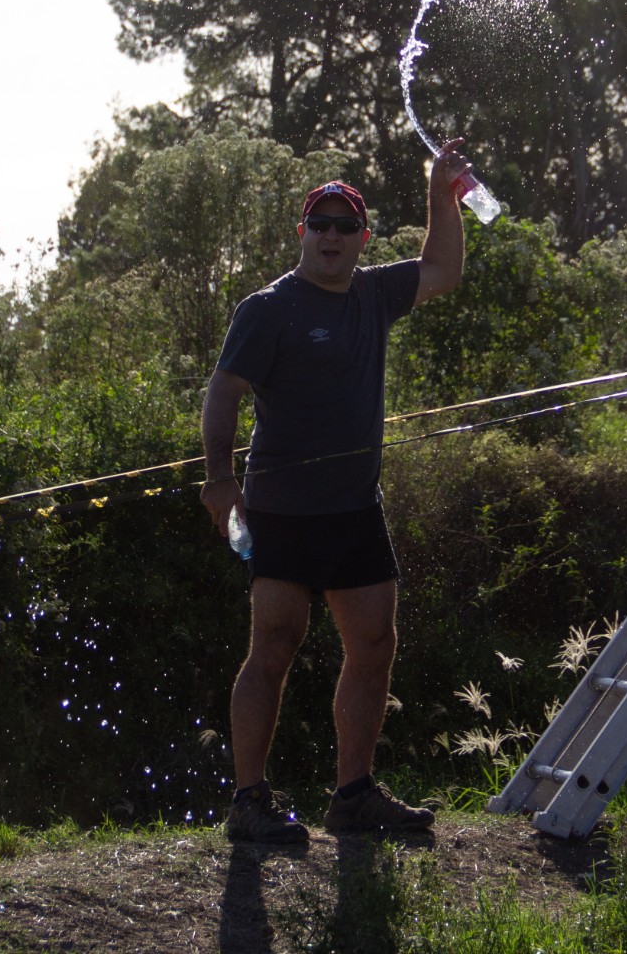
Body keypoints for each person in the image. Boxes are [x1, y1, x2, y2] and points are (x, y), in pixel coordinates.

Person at [200, 139, 471, 844]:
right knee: (274, 647)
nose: (330, 236)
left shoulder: (376, 293)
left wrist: (441, 196)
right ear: (302, 234)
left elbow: (443, 268)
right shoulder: (268, 308)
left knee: (374, 644)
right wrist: (220, 480)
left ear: (361, 238)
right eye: (318, 224)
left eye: (344, 226)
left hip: (356, 510)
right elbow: (222, 391)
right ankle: (248, 800)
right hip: (282, 512)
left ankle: (352, 794)